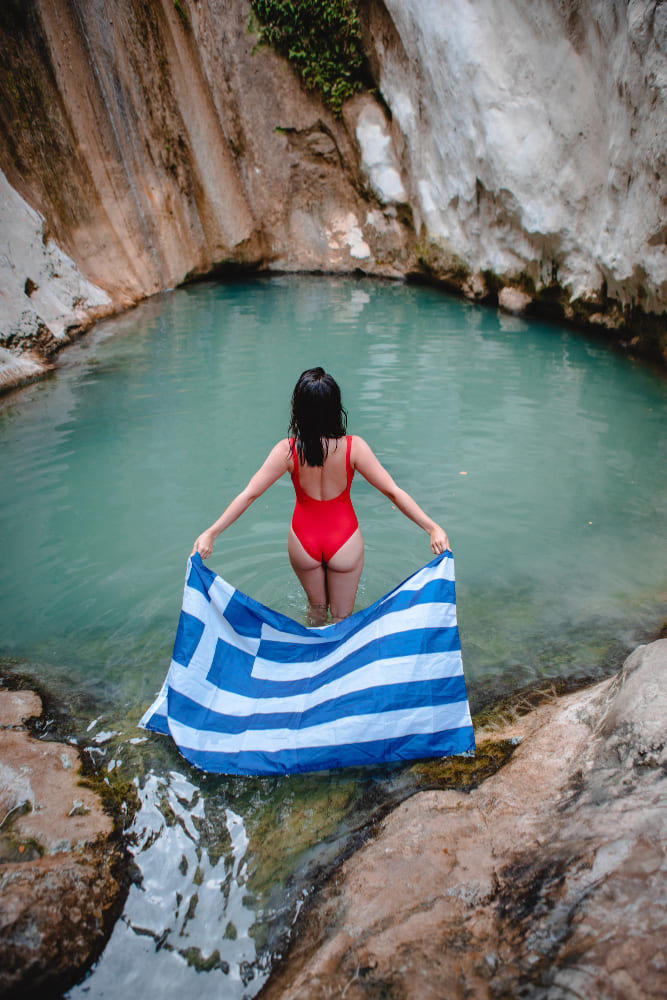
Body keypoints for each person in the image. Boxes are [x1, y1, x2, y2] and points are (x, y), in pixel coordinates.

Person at [191, 367, 449, 625]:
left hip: (304, 541)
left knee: (316, 612)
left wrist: (211, 533)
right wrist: (432, 527)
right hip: (344, 539)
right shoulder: (353, 448)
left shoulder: (288, 451)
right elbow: (393, 491)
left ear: (299, 409)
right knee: (342, 618)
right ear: (335, 407)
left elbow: (249, 495)